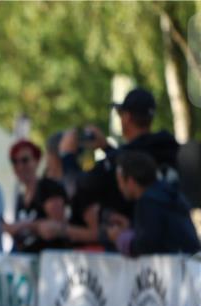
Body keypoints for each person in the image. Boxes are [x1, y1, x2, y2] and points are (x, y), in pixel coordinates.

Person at [64, 87, 181, 248]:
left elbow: (78, 185)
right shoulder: (168, 150)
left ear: (126, 117)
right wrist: (107, 148)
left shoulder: (125, 163)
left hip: (136, 248)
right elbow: (133, 156)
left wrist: (67, 157)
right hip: (168, 238)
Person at [107, 151, 201, 257]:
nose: (120, 188)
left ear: (130, 181)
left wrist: (120, 238)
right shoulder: (168, 194)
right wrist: (131, 227)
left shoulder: (149, 201)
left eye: (120, 182)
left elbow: (146, 245)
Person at [1, 139, 69, 254]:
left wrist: (22, 225)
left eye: (25, 160)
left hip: (49, 260)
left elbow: (57, 227)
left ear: (37, 161)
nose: (20, 166)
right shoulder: (20, 197)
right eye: (14, 162)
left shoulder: (48, 187)